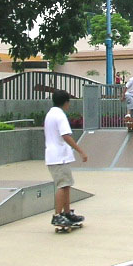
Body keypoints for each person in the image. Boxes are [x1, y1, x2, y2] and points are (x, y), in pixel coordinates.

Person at [44, 90, 88, 229]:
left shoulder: (50, 114)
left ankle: (67, 212)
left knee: (66, 184)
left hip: (56, 156)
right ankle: (57, 215)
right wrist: (81, 151)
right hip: (59, 157)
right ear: (66, 102)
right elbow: (66, 136)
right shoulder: (60, 116)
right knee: (62, 186)